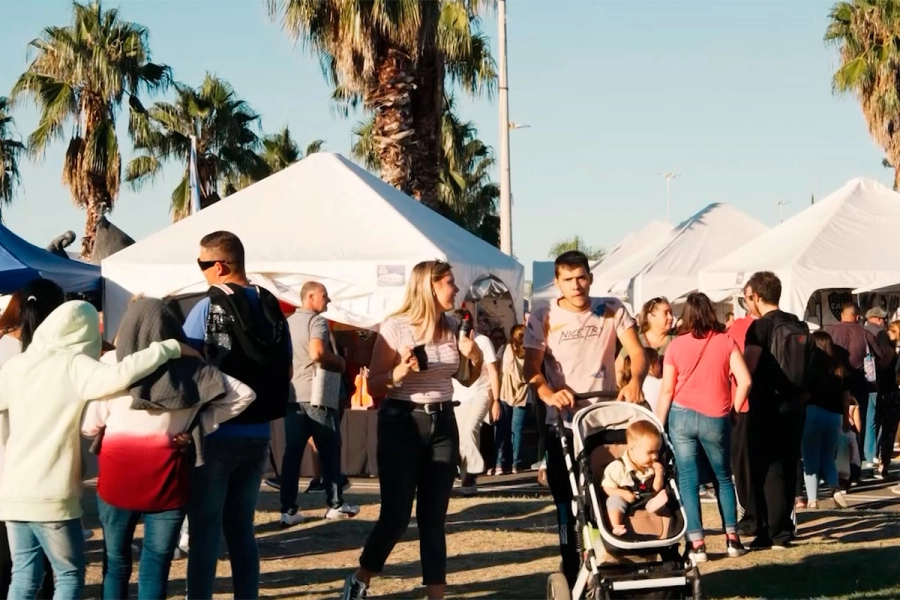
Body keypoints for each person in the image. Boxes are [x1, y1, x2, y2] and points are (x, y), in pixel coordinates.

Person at [0, 299, 189, 599]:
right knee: (69, 576)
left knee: (23, 576)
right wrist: (169, 348)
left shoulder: (15, 367)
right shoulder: (74, 366)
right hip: (52, 494)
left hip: (12, 492)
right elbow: (124, 372)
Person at [81, 297, 255, 599]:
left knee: (116, 561)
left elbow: (88, 427)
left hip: (116, 479)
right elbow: (245, 395)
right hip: (167, 480)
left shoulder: (114, 364)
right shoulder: (193, 369)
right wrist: (202, 423)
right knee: (156, 564)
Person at [341, 260, 483, 600]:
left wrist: (472, 354)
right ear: (429, 287)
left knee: (434, 518)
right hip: (402, 422)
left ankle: (437, 596)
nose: (456, 289)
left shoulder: (453, 325)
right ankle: (360, 579)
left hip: (443, 422)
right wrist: (400, 372)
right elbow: (374, 385)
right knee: (396, 516)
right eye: (450, 283)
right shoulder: (395, 327)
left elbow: (465, 378)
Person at [523, 250, 646, 587]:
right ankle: (572, 565)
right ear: (558, 283)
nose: (576, 286)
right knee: (568, 503)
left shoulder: (611, 309)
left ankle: (617, 558)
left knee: (610, 491)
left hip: (605, 423)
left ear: (590, 277)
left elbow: (637, 352)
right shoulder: (544, 315)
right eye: (567, 279)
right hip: (561, 422)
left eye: (581, 278)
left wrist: (635, 380)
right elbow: (530, 369)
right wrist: (549, 393)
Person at [183, 231, 292, 599]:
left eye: (202, 265)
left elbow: (186, 366)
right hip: (259, 432)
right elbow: (286, 367)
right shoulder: (272, 306)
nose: (201, 273)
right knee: (242, 530)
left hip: (215, 434)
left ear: (219, 265)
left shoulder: (207, 308)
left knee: (206, 531)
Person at [656, 292, 750, 564]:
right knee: (722, 478)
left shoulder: (674, 346)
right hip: (716, 415)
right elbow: (744, 380)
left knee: (688, 480)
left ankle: (697, 544)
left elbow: (667, 390)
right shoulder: (726, 341)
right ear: (711, 312)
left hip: (681, 415)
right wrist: (734, 408)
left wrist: (658, 425)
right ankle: (732, 538)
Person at [0, 282, 65, 599]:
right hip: (39, 473)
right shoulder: (52, 357)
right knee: (53, 571)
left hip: (11, 473)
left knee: (19, 572)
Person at [280, 281, 359, 526]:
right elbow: (317, 353)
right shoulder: (317, 322)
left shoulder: (287, 323)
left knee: (292, 454)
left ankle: (288, 509)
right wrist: (338, 361)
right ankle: (335, 504)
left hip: (293, 395)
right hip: (317, 393)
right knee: (330, 449)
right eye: (324, 296)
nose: (328, 300)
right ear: (311, 297)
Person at [742, 272, 808, 549]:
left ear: (756, 296)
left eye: (746, 298)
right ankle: (786, 528)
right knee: (790, 463)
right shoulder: (797, 323)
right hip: (796, 403)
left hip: (767, 405)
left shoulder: (759, 328)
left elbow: (749, 367)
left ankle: (771, 531)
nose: (746, 304)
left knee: (767, 469)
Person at [826, 303, 893, 468]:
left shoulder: (830, 331)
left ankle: (834, 461)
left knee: (835, 420)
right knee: (859, 421)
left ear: (841, 315)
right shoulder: (865, 333)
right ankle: (856, 462)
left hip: (835, 381)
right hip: (859, 381)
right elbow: (880, 357)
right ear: (857, 317)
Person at [800, 331, 850, 509]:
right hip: (834, 416)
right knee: (828, 457)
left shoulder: (811, 364)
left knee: (810, 458)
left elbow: (805, 393)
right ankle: (835, 488)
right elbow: (846, 397)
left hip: (813, 412)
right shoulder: (839, 367)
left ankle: (813, 500)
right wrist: (845, 420)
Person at [452, 309, 500, 493]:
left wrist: (496, 400)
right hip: (457, 397)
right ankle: (468, 481)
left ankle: (473, 470)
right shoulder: (451, 342)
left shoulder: (483, 341)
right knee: (462, 438)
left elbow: (494, 372)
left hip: (480, 393)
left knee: (470, 429)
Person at [601, 420, 667, 536]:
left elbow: (655, 488)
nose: (655, 457)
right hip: (624, 499)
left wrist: (659, 474)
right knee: (614, 501)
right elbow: (607, 488)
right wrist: (622, 493)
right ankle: (616, 525)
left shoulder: (652, 468)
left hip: (646, 498)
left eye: (657, 452)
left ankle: (653, 507)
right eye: (650, 452)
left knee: (660, 495)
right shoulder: (618, 467)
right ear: (632, 448)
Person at [726, 311, 757, 536]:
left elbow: (736, 372)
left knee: (743, 464)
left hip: (742, 403)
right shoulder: (781, 325)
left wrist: (734, 407)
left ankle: (749, 514)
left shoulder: (736, 329)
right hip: (773, 404)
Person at [615, 296, 674, 387]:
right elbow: (618, 369)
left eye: (671, 312)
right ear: (650, 317)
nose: (670, 317)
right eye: (665, 313)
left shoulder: (676, 342)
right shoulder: (635, 340)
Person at [496, 324, 529, 474]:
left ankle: (499, 463)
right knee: (517, 430)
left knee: (502, 429)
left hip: (505, 392)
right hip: (523, 393)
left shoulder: (506, 349)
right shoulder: (529, 351)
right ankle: (516, 463)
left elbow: (500, 369)